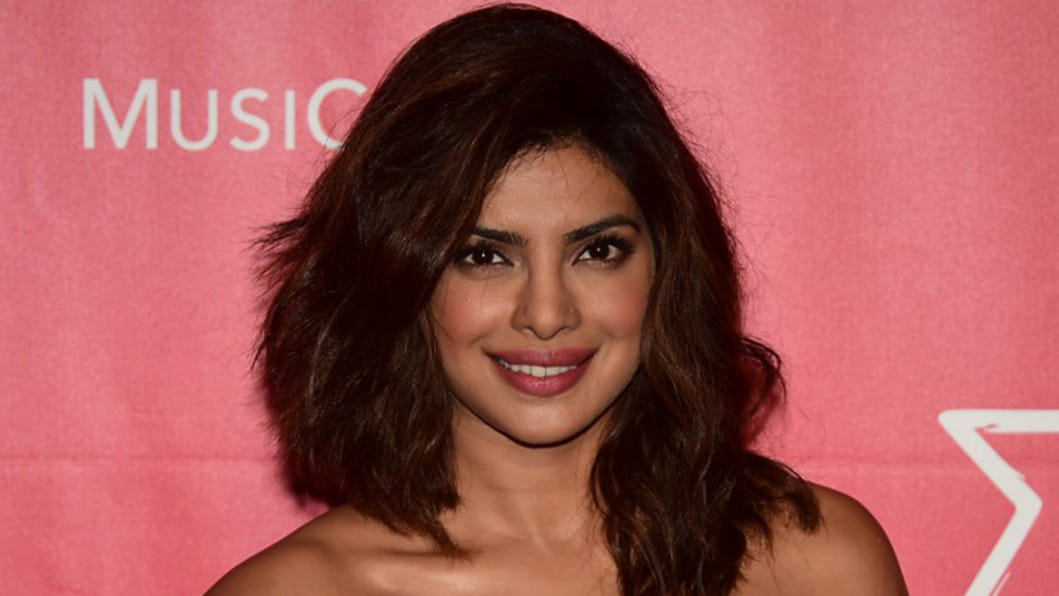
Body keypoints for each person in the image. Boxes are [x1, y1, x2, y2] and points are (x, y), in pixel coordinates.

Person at [208, 4, 907, 594]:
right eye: (483, 256)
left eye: (596, 251)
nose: (546, 314)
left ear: (665, 267)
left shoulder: (818, 562)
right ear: (402, 278)